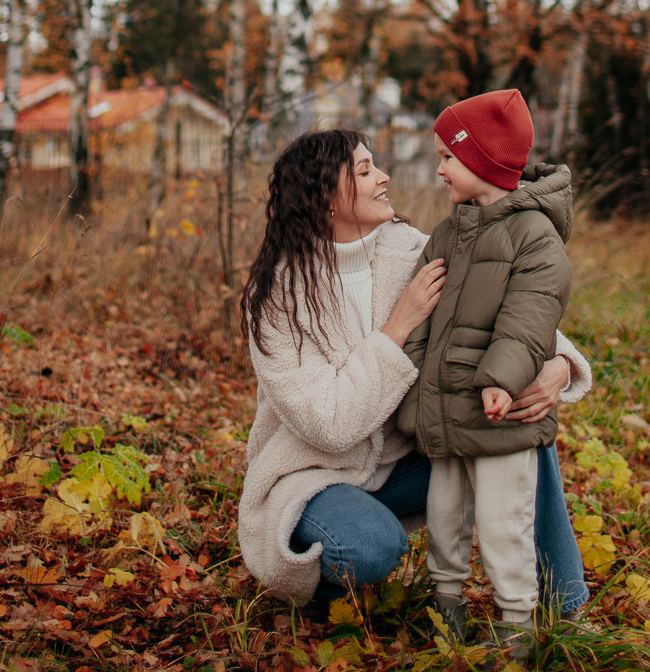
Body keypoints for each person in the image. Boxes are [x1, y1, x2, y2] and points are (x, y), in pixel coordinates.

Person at [237, 128, 590, 618]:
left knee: (522, 425)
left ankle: (565, 602)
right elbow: (329, 425)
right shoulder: (281, 295)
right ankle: (324, 586)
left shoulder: (412, 252)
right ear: (324, 196)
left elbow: (510, 305)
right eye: (364, 171)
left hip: (410, 458)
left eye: (375, 165)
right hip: (317, 476)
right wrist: (397, 326)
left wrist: (557, 364)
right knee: (370, 547)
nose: (383, 178)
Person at [396, 88, 573, 655]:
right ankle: (446, 607)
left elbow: (530, 315)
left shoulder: (534, 236)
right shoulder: (449, 233)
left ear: (482, 160)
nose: (440, 167)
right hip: (446, 412)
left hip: (501, 416)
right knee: (444, 520)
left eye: (449, 156)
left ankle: (517, 622)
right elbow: (421, 319)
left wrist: (501, 378)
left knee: (504, 523)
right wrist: (412, 395)